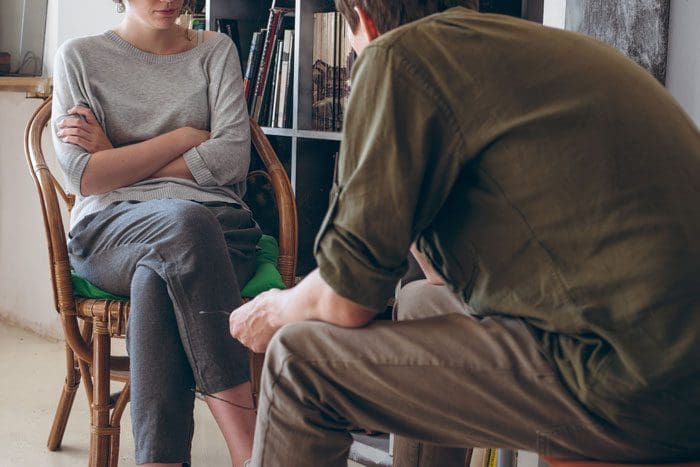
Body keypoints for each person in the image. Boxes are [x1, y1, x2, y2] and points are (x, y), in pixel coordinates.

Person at [230, 1, 700, 466]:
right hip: (669, 357)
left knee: (298, 364)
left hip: (634, 382)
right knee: (419, 303)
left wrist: (275, 309)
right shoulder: (512, 50)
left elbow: (345, 299)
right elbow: (440, 282)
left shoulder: (397, 56)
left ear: (363, 19)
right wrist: (403, 167)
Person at [52, 0, 259, 465]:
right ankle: (249, 446)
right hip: (111, 232)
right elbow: (83, 177)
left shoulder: (215, 50)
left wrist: (118, 157)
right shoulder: (80, 57)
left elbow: (231, 159)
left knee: (158, 275)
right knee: (185, 223)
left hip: (222, 233)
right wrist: (184, 136)